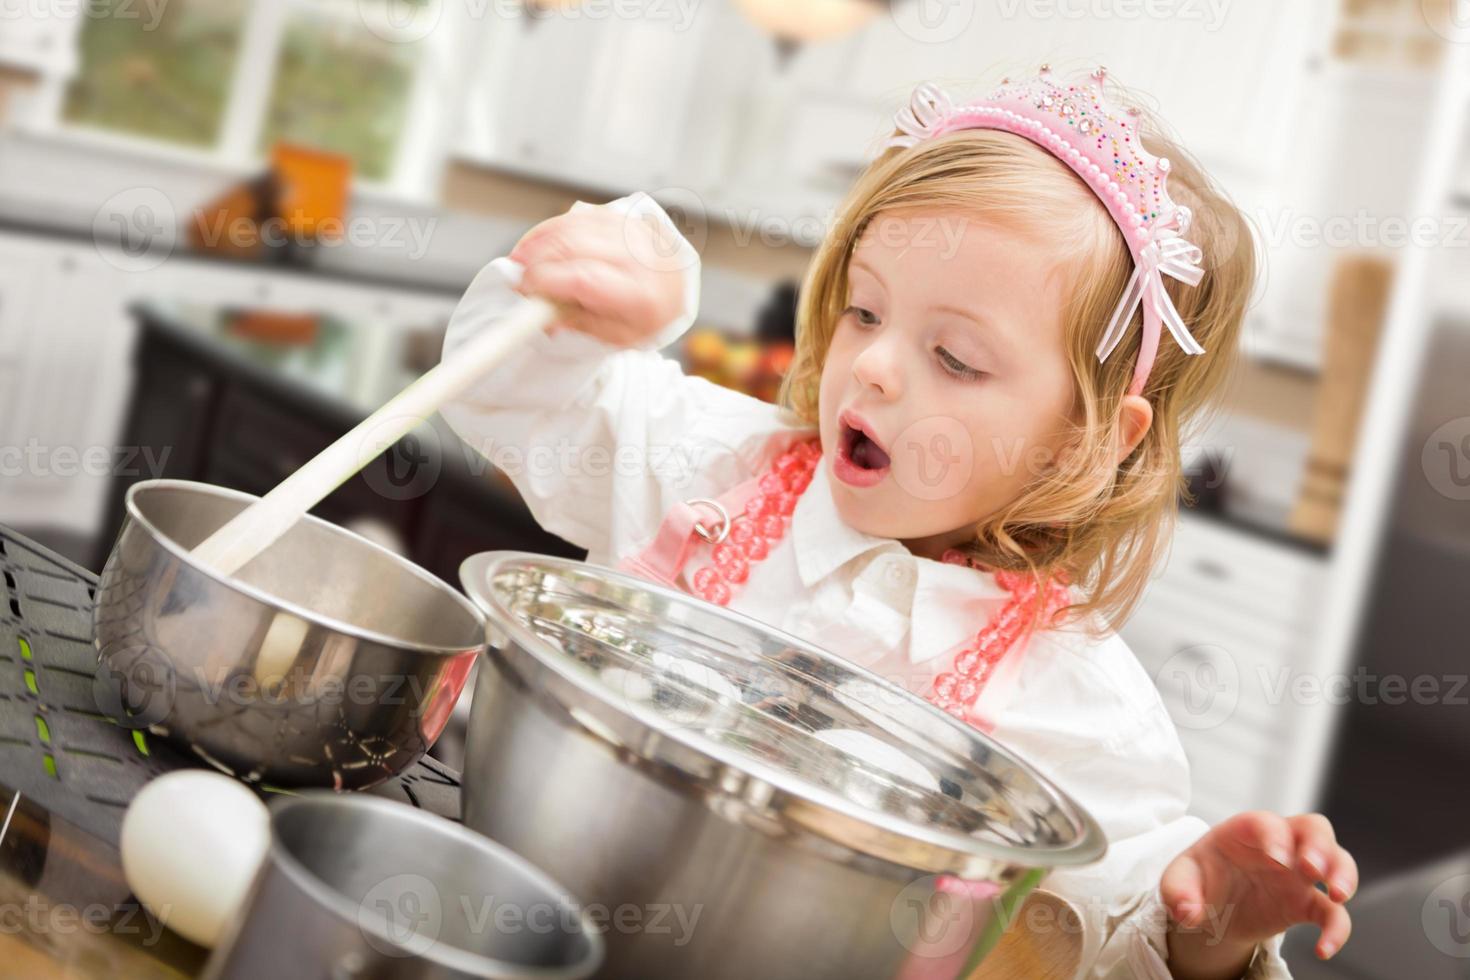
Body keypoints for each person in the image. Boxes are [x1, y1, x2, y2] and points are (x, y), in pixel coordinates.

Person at [440, 67, 1356, 979]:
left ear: (1082, 441)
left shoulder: (1080, 704)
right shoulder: (711, 463)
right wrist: (579, 301)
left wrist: (1213, 925)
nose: (872, 365)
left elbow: (1113, 941)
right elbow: (511, 395)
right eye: (863, 309)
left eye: (955, 358)